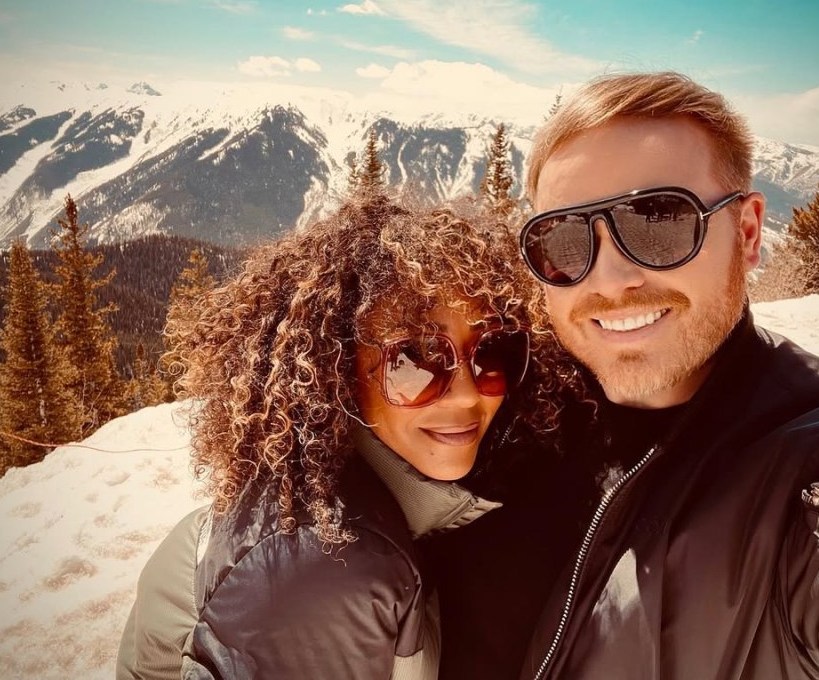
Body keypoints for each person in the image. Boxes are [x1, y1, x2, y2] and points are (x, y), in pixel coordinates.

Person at [425, 72, 819, 679]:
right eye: (563, 239)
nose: (608, 281)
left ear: (746, 232)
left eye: (658, 222)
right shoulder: (502, 397)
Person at [115, 192, 589, 679]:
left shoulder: (326, 481)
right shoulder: (329, 565)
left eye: (493, 352)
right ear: (336, 371)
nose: (468, 395)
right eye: (416, 359)